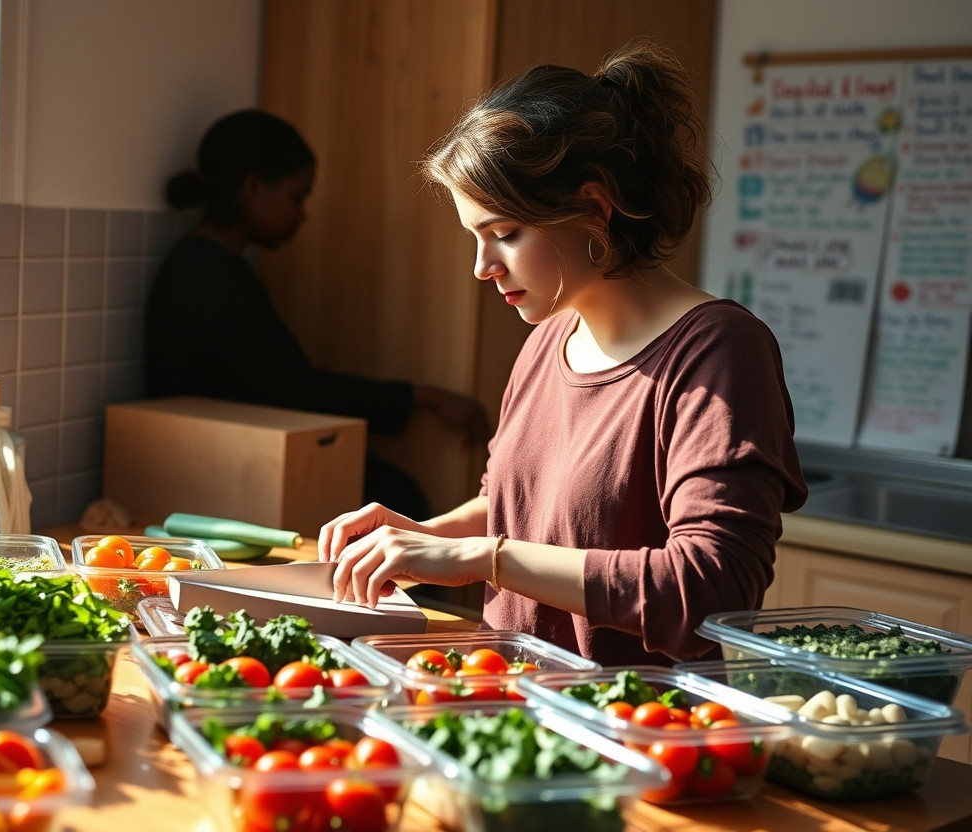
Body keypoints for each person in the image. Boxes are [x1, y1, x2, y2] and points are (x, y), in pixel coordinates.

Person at [318, 41, 808, 666]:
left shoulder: (718, 352)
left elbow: (710, 590)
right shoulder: (549, 337)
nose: (481, 267)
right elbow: (520, 510)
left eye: (504, 234)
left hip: (634, 733)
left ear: (592, 209)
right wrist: (421, 539)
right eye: (476, 238)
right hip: (510, 700)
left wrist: (482, 558)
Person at [145, 109, 490, 519]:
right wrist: (426, 397)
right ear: (254, 187)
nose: (303, 215)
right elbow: (297, 388)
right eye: (297, 197)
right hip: (213, 464)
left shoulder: (205, 265)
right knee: (399, 498)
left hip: (225, 451)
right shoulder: (208, 275)